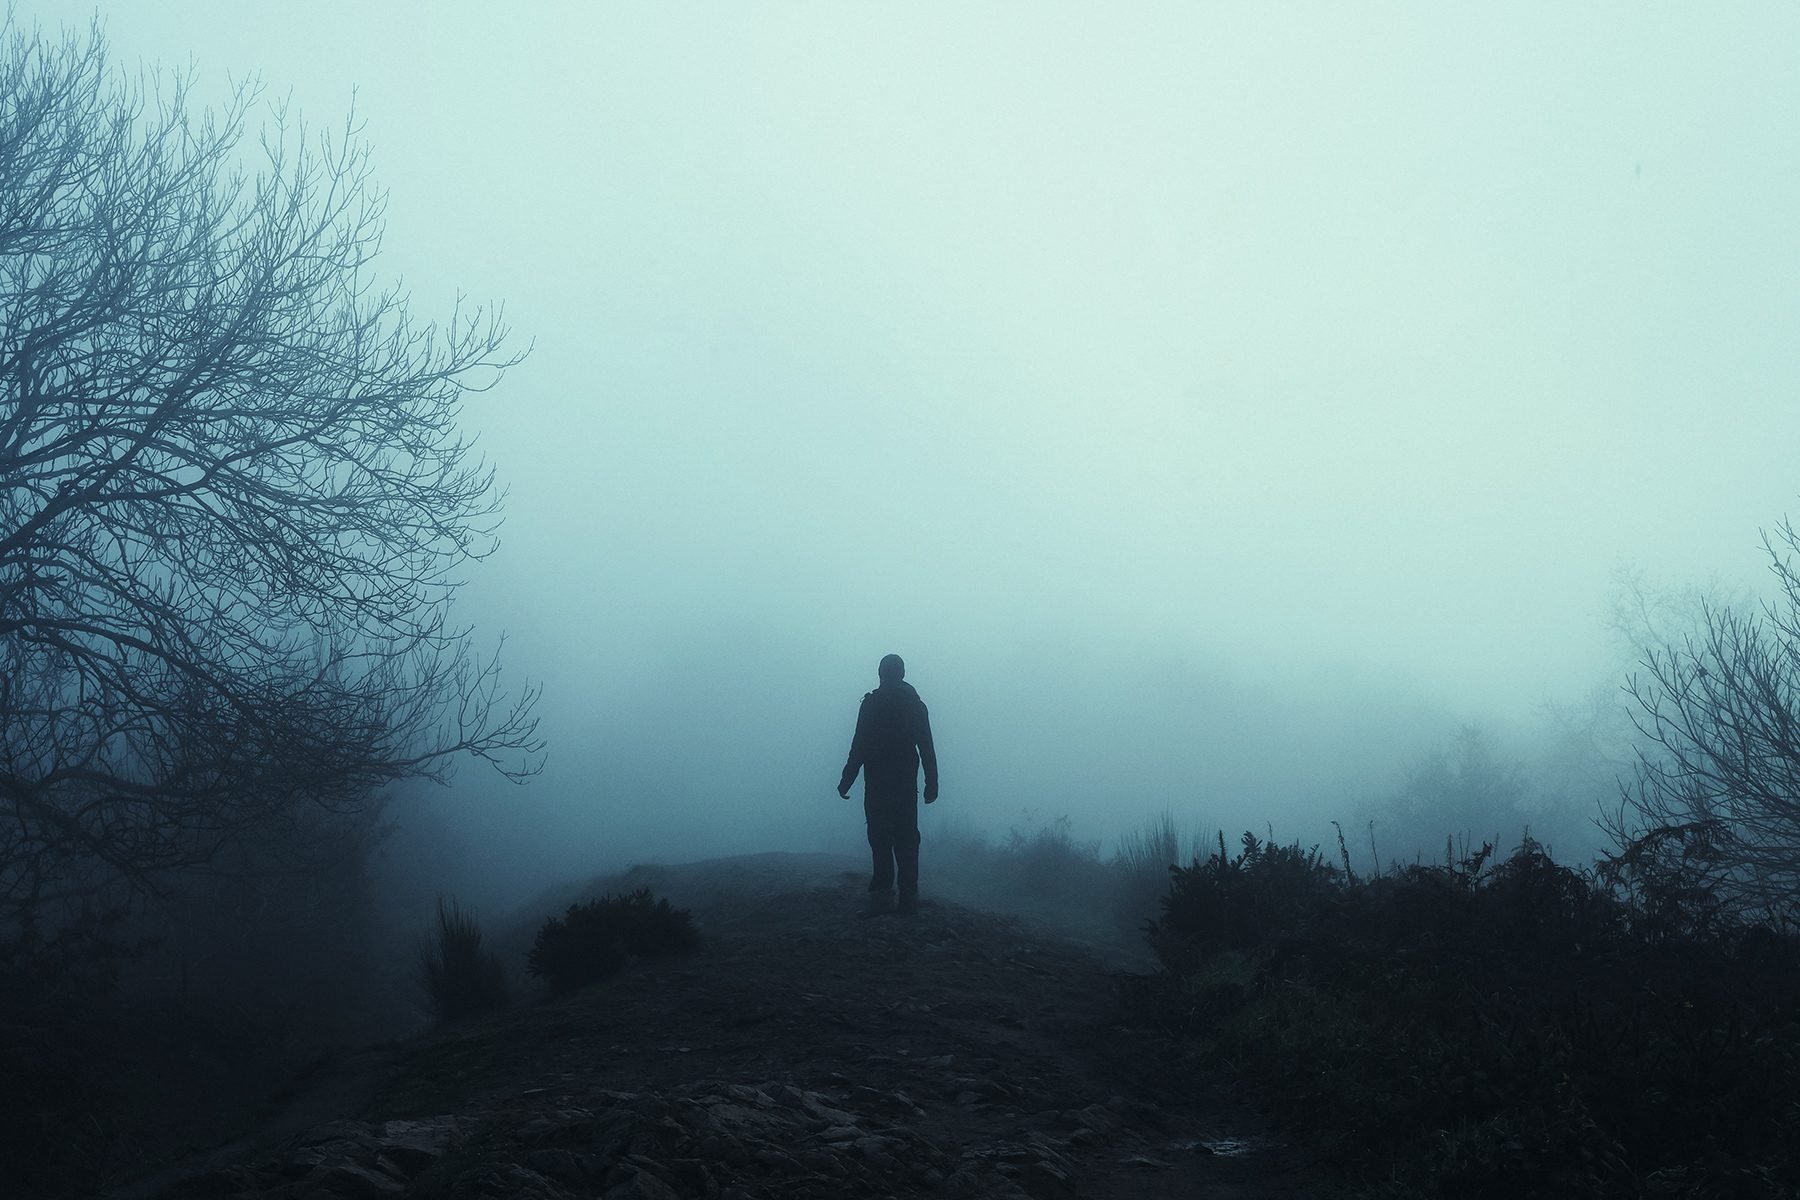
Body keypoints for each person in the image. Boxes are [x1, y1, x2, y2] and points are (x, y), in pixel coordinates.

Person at [838, 653, 939, 916]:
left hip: (877, 782)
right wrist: (932, 784)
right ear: (902, 674)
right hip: (905, 782)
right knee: (907, 837)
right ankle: (909, 897)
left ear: (880, 674)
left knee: (880, 836)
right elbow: (927, 746)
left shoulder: (871, 704)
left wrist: (846, 780)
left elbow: (858, 745)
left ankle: (882, 895)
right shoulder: (916, 705)